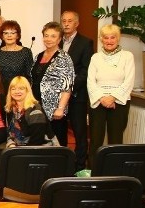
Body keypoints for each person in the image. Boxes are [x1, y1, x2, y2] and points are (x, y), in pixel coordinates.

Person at [87, 24, 135, 165]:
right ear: (101, 39)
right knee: (96, 140)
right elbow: (90, 81)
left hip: (119, 102)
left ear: (118, 38)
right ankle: (93, 171)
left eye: (112, 37)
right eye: (106, 37)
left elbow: (129, 81)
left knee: (116, 139)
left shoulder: (127, 56)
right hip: (98, 102)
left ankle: (115, 170)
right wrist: (102, 98)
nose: (109, 40)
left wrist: (112, 97)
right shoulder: (95, 57)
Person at [31, 21, 75, 146]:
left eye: (53, 36)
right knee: (41, 142)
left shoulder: (64, 58)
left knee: (57, 144)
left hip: (55, 111)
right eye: (46, 35)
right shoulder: (38, 56)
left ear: (59, 39)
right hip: (37, 108)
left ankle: (61, 166)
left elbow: (67, 86)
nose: (48, 39)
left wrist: (60, 108)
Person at [60, 11, 94, 171]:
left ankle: (80, 167)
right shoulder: (56, 41)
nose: (66, 24)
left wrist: (68, 87)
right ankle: (63, 164)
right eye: (64, 21)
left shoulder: (85, 43)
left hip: (76, 95)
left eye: (70, 21)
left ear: (77, 23)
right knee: (59, 132)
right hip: (57, 97)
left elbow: (85, 71)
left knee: (79, 133)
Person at [4, 76, 58, 147]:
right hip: (20, 148)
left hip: (40, 150)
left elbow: (37, 140)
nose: (17, 91)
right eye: (13, 89)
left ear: (27, 90)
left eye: (21, 88)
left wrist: (19, 152)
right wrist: (11, 144)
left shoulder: (35, 110)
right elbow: (10, 134)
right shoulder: (10, 109)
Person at [0, 20, 34, 90]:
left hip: (19, 91)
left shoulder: (25, 52)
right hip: (1, 91)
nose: (9, 35)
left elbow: (30, 76)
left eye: (12, 33)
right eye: (6, 33)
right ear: (2, 36)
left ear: (17, 35)